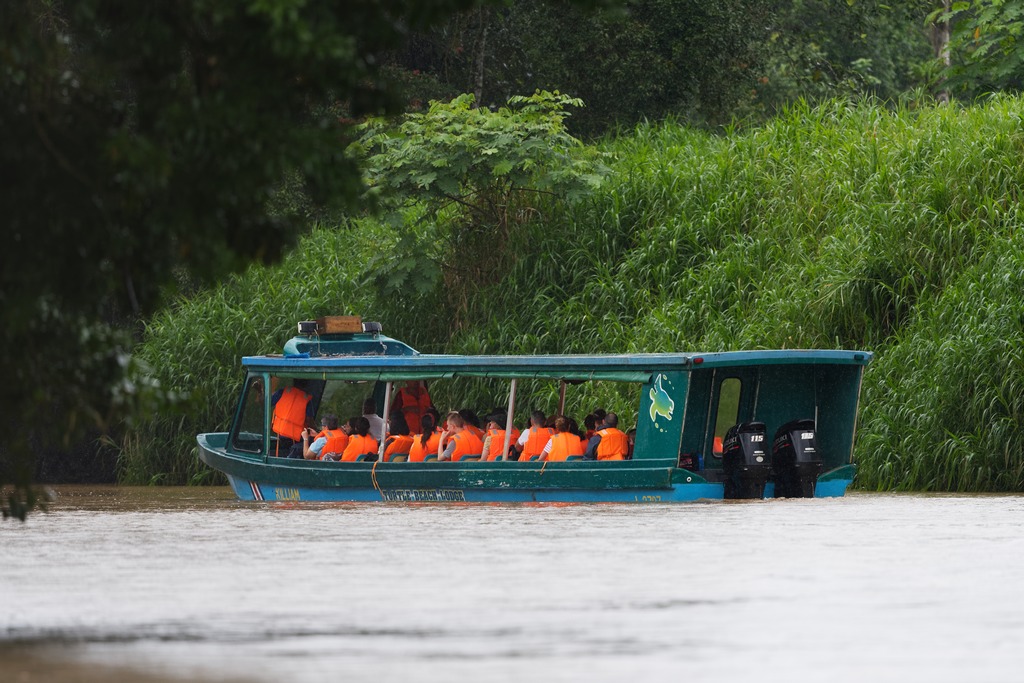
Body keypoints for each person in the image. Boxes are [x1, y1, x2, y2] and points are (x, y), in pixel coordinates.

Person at [271, 380, 315, 458]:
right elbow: (309, 421)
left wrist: (260, 391)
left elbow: (267, 401)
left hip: (279, 433)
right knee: (312, 440)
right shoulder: (306, 399)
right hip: (296, 437)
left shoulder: (282, 392)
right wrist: (317, 431)